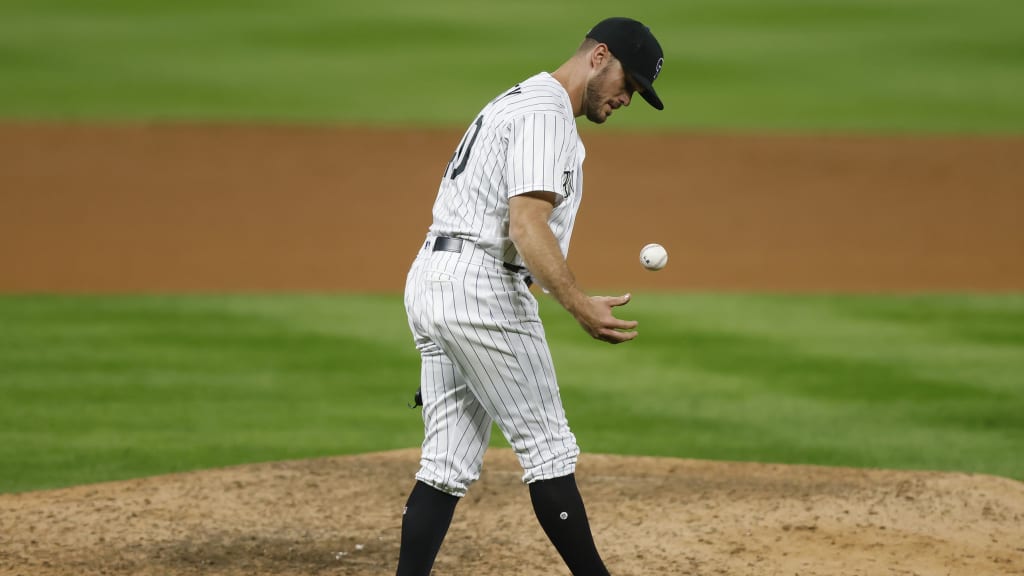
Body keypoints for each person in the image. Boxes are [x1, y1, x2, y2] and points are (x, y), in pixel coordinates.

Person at [397, 17, 665, 576]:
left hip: (436, 280)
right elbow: (526, 224)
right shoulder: (547, 117)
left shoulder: (519, 99)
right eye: (628, 83)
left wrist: (452, 335)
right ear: (599, 57)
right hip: (480, 289)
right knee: (548, 448)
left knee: (446, 464)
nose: (627, 99)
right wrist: (578, 302)